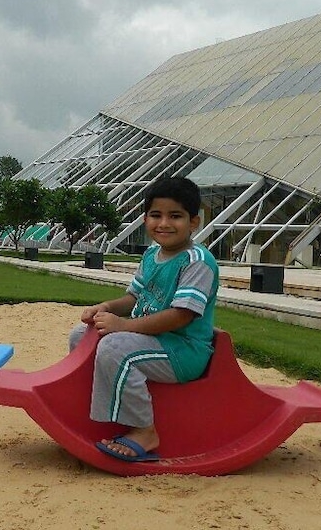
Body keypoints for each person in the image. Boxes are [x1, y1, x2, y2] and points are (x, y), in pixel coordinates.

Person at [68, 176, 219, 462]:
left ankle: (144, 430)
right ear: (145, 218)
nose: (163, 224)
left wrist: (123, 326)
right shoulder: (152, 255)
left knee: (115, 348)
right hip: (151, 339)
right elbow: (134, 298)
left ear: (194, 222)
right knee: (81, 335)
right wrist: (107, 307)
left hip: (182, 350)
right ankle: (96, 404)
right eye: (155, 215)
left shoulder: (197, 261)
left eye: (175, 216)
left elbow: (181, 316)